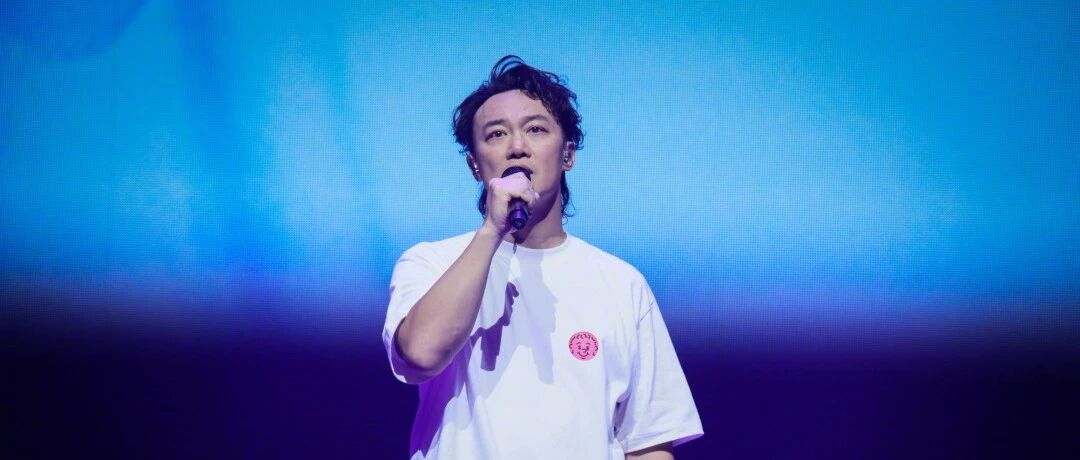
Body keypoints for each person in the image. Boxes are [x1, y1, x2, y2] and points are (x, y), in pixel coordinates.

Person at [383, 55, 703, 459]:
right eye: (496, 134)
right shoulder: (432, 262)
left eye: (535, 129)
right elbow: (420, 354)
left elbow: (648, 443)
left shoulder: (621, 284)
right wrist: (492, 231)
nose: (517, 147)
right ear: (474, 166)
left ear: (568, 154)